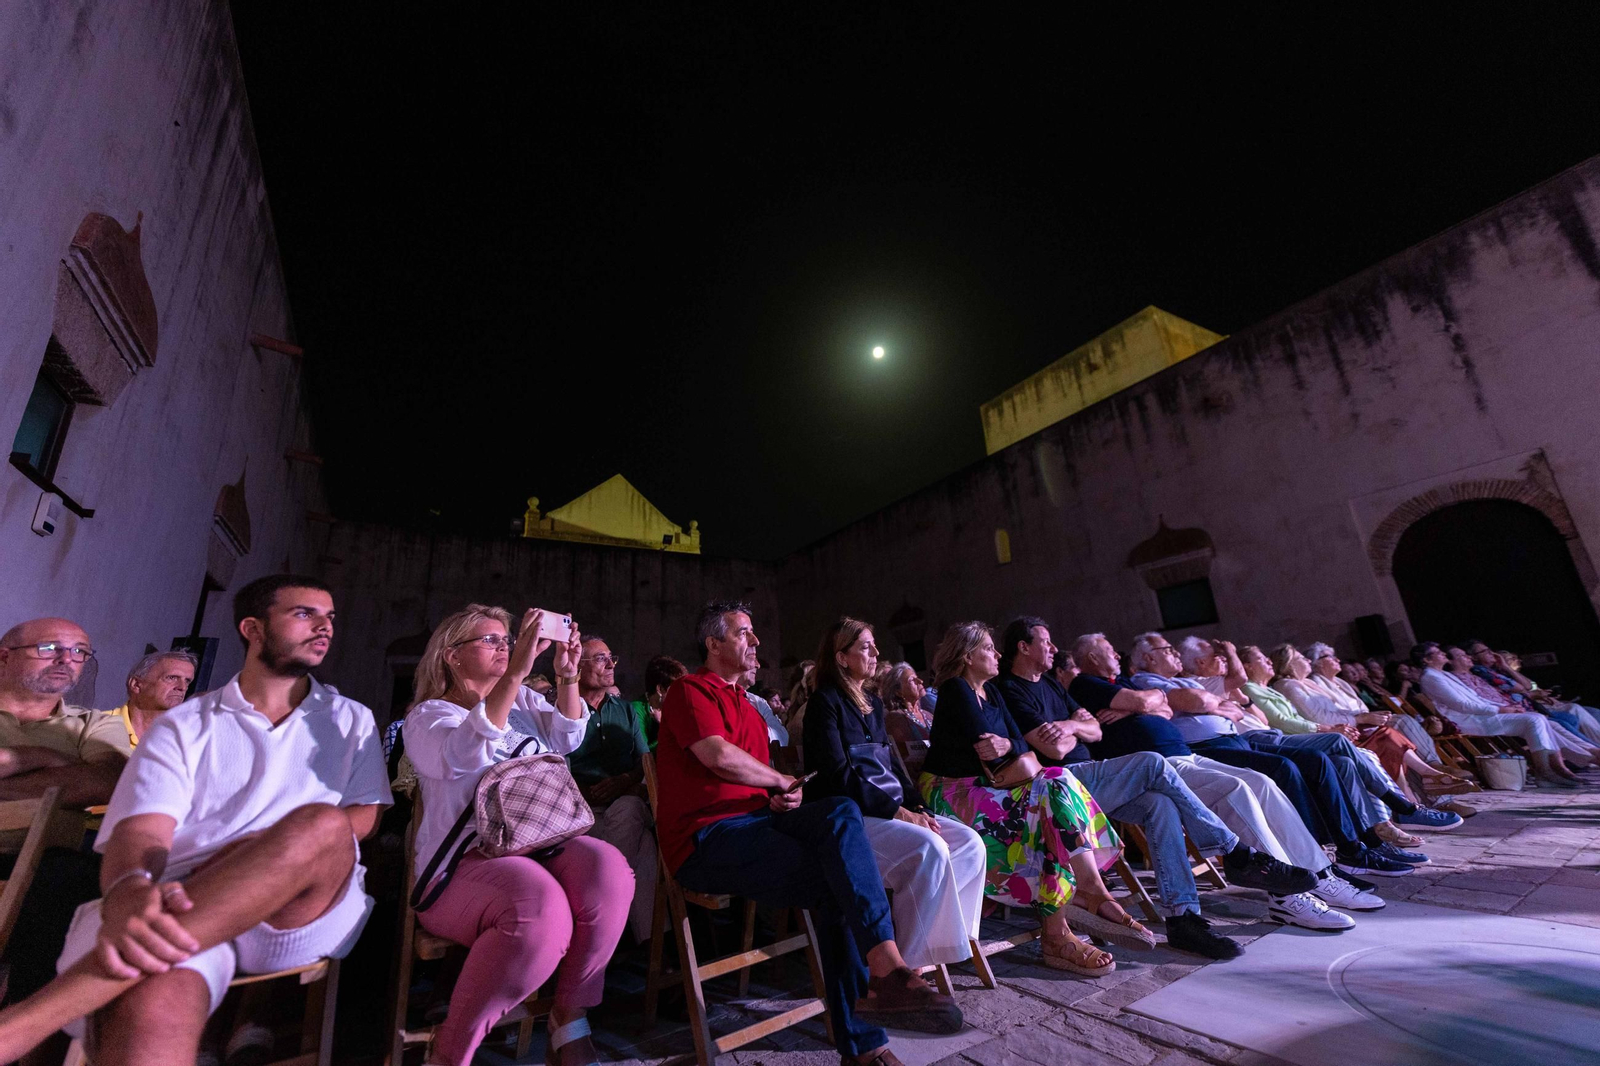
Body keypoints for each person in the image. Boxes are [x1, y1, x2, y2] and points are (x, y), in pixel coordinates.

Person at [0, 576, 391, 1065]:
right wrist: (127, 886)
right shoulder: (184, 725)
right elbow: (143, 827)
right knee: (156, 999)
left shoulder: (350, 719)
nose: (324, 627)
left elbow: (364, 816)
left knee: (323, 824)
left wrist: (258, 850)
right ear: (253, 629)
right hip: (186, 895)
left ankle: (33, 1018)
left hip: (292, 908)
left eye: (329, 617)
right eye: (304, 614)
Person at [659, 602, 959, 1065]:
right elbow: (717, 756)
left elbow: (754, 785)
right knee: (838, 879)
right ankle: (872, 1021)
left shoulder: (749, 706)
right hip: (707, 839)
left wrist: (781, 797)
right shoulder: (690, 690)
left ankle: (879, 989)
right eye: (744, 633)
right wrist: (778, 782)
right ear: (713, 644)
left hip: (758, 826)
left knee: (839, 817)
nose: (756, 642)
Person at [995, 619, 1316, 959]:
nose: (1054, 648)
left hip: (1090, 784)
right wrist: (1083, 726)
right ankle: (1234, 852)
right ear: (1024, 647)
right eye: (1045, 641)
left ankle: (1183, 918)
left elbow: (1096, 731)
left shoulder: (1049, 684)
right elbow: (1056, 751)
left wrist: (1072, 725)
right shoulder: (1009, 689)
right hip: (1059, 786)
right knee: (1152, 762)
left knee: (1160, 804)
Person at [404, 605, 630, 1066]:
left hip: (539, 844)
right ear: (451, 655)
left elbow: (568, 737)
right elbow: (464, 754)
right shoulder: (429, 716)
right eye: (490, 640)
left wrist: (567, 677)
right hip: (464, 863)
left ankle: (570, 1018)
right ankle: (449, 1052)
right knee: (540, 909)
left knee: (609, 870)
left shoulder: (525, 703)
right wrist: (518, 674)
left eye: (507, 639)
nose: (505, 647)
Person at [1067, 633, 1381, 927]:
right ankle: (1287, 897)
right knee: (1236, 789)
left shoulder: (1121, 682)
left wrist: (1140, 704)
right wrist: (1143, 704)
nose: (1116, 654)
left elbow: (1161, 707)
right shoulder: (1085, 683)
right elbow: (1151, 704)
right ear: (1092, 657)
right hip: (1157, 766)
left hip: (1185, 756)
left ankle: (1318, 873)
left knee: (1263, 783)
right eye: (1108, 649)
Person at [920, 621, 1155, 977]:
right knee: (1050, 795)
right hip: (954, 793)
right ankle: (1078, 908)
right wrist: (1009, 747)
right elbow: (989, 752)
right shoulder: (956, 689)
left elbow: (1017, 745)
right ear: (968, 656)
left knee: (1054, 788)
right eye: (988, 648)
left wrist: (1009, 745)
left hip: (992, 788)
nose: (997, 653)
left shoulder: (992, 692)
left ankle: (1070, 918)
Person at [1129, 633, 1415, 877]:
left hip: (1234, 739)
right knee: (1284, 767)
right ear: (1150, 658)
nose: (1174, 653)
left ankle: (1359, 843)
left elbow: (1236, 705)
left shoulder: (1185, 681)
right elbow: (1203, 701)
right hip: (1207, 747)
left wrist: (1216, 704)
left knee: (1324, 761)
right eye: (1167, 650)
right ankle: (1316, 857)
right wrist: (1215, 704)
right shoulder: (1144, 681)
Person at [804, 619, 986, 970]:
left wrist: (917, 805)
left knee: (969, 844)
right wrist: (901, 813)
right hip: (854, 815)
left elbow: (890, 769)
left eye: (874, 645)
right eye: (865, 647)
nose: (875, 652)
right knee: (929, 848)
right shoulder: (824, 704)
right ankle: (908, 967)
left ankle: (935, 948)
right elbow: (839, 776)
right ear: (841, 657)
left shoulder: (871, 703)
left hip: (889, 808)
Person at [1266, 644, 1464, 829]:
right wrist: (1360, 719)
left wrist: (1361, 717)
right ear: (1289, 663)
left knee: (1390, 735)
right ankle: (1423, 784)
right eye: (1301, 658)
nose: (1308, 661)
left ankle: (1418, 794)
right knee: (1388, 735)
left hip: (1349, 728)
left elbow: (1353, 708)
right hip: (1334, 734)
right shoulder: (1288, 685)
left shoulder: (1308, 683)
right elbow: (1315, 717)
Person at [562, 636, 658, 947]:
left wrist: (621, 781)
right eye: (600, 659)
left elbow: (643, 762)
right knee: (645, 850)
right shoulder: (562, 712)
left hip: (623, 800)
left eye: (611, 657)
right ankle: (649, 944)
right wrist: (583, 792)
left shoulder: (626, 711)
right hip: (583, 811)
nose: (611, 664)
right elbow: (552, 764)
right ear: (577, 667)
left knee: (628, 809)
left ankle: (607, 919)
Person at [1418, 643, 1593, 787]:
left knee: (1538, 719)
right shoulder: (1431, 677)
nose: (1442, 655)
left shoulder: (1444, 675)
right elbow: (1462, 705)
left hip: (1482, 714)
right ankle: (1544, 772)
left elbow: (1477, 698)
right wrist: (1501, 710)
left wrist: (1506, 707)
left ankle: (1560, 769)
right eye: (1437, 653)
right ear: (1426, 659)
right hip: (1467, 720)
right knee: (1534, 720)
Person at [0, 618, 129, 807]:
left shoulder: (96, 724)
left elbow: (111, 782)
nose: (67, 659)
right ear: (5, 657)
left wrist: (36, 757)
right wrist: (70, 765)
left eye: (79, 651)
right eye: (49, 648)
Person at [107, 651, 198, 749]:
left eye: (187, 681)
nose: (182, 687)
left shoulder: (186, 741)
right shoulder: (96, 726)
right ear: (136, 684)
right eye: (172, 678)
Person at [880, 662, 934, 775]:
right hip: (922, 780)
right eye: (911, 680)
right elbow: (906, 756)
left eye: (917, 678)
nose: (920, 681)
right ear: (898, 692)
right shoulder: (896, 718)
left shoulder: (928, 715)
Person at [630, 655, 686, 752]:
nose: (681, 694)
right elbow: (643, 753)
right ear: (660, 689)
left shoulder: (674, 707)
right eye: (676, 689)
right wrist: (666, 728)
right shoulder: (636, 709)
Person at [742, 666, 790, 746]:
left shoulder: (758, 701)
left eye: (779, 700)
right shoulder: (756, 702)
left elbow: (782, 738)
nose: (757, 665)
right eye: (774, 700)